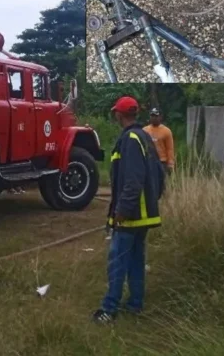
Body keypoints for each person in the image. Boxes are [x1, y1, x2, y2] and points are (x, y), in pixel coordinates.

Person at [92, 96, 162, 324]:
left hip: (132, 215)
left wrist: (121, 210)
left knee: (117, 262)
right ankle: (135, 304)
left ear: (118, 115)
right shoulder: (144, 136)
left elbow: (132, 181)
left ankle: (109, 309)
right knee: (135, 261)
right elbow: (159, 175)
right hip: (144, 213)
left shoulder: (130, 139)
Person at [143, 108, 175, 175]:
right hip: (149, 161)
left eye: (156, 116)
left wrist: (170, 164)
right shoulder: (144, 130)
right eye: (152, 116)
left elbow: (170, 149)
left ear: (160, 117)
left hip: (162, 162)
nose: (154, 118)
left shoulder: (166, 131)